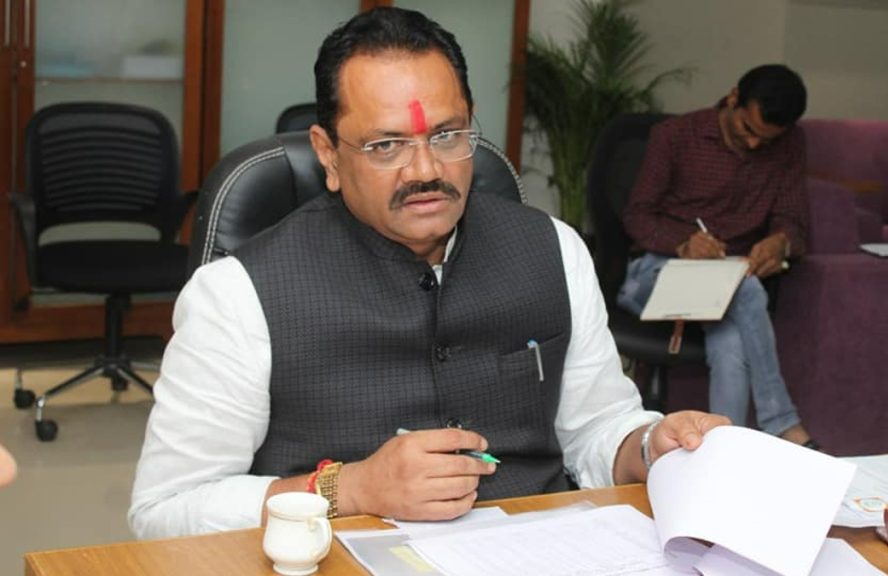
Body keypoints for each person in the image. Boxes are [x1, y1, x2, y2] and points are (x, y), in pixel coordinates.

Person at [129, 7, 728, 539]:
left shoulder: (555, 250)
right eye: (386, 145)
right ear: (328, 154)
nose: (424, 171)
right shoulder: (238, 293)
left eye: (446, 135)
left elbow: (596, 429)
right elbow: (165, 509)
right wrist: (349, 489)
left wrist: (649, 446)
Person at [618, 64, 817, 449]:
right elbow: (637, 216)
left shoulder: (790, 145)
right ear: (733, 97)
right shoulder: (676, 136)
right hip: (656, 274)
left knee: (731, 343)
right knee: (748, 289)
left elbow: (793, 223)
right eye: (748, 129)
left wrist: (781, 243)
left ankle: (725, 447)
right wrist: (683, 242)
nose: (755, 144)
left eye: (766, 139)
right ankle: (781, 421)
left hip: (726, 286)